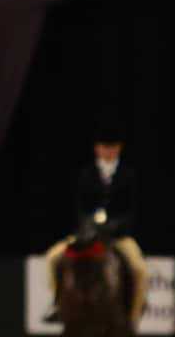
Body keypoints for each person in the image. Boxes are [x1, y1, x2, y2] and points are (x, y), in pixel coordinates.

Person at [44, 135, 146, 320]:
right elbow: (80, 208)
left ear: (118, 148)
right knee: (53, 258)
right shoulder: (86, 174)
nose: (108, 151)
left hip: (118, 236)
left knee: (139, 269)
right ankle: (58, 303)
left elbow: (131, 210)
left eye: (112, 146)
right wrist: (89, 227)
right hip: (88, 234)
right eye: (104, 147)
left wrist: (113, 226)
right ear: (97, 149)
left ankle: (134, 312)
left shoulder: (128, 175)